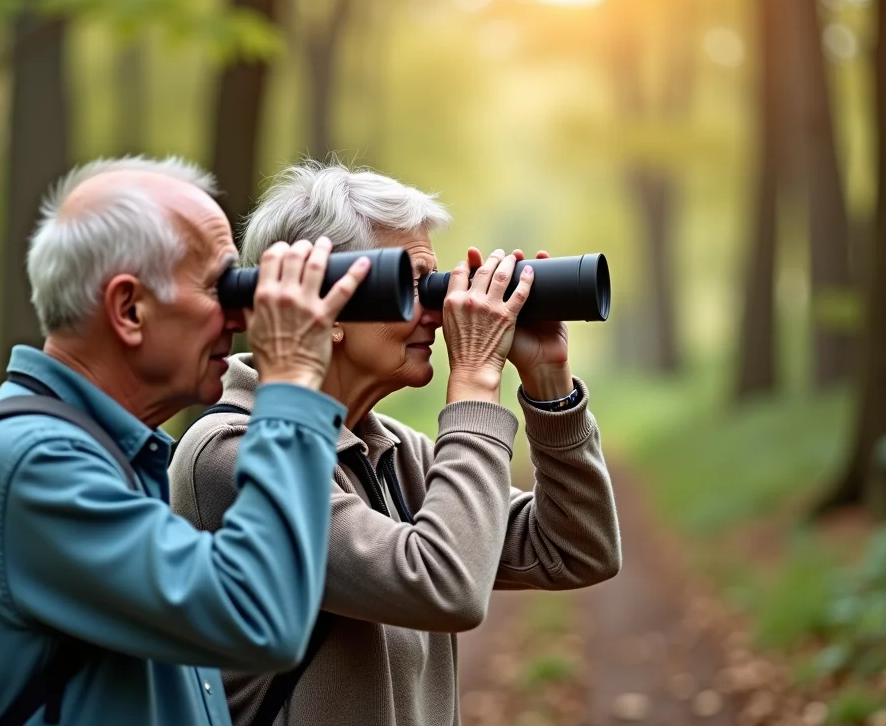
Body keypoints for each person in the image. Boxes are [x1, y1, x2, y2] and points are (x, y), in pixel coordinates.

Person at [169, 161, 622, 726]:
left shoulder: (393, 452)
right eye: (409, 283)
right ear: (323, 305)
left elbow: (578, 549)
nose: (435, 311)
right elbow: (444, 586)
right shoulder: (232, 454)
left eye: (434, 282)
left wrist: (549, 384)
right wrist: (477, 380)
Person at [0, 155, 372, 725]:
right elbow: (262, 616)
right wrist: (289, 383)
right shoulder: (35, 466)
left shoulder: (108, 452)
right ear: (129, 309)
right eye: (222, 286)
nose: (241, 317)